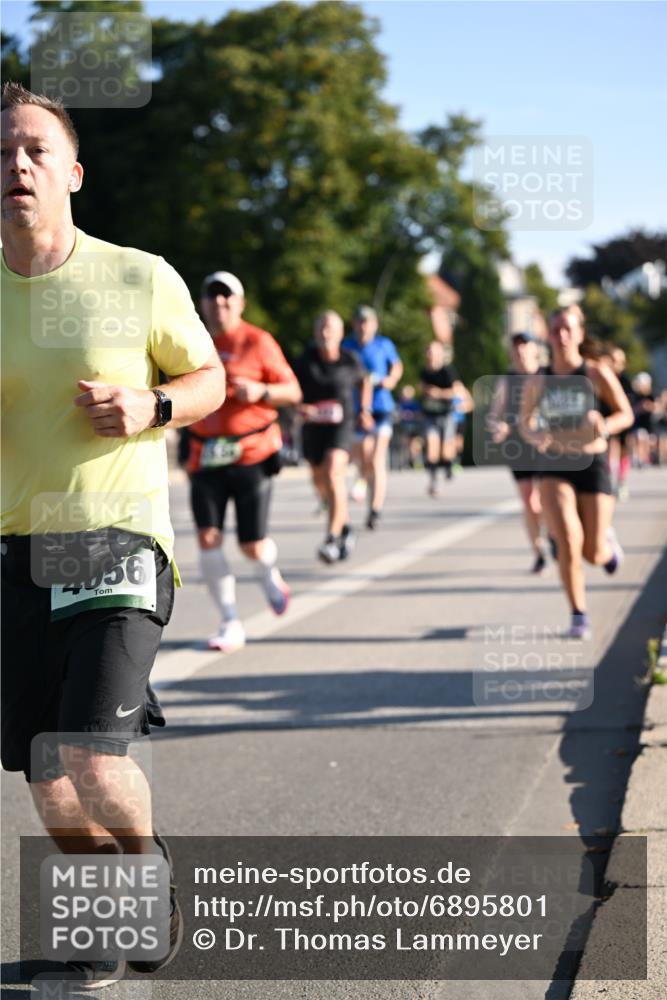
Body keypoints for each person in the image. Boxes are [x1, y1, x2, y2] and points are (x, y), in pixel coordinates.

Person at [1, 83, 226, 988]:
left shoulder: (138, 276)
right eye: (0, 152)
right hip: (14, 551)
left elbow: (208, 378)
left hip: (113, 540)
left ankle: (146, 870)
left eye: (33, 150)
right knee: (43, 769)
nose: (14, 165)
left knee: (90, 754)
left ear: (73, 173)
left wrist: (153, 404)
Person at [183, 270, 302, 653]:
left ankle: (269, 575)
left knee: (251, 544)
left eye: (226, 299)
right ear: (202, 303)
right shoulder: (188, 339)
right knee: (207, 538)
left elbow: (293, 391)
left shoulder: (258, 341)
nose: (219, 306)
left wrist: (262, 390)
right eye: (211, 299)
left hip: (252, 452)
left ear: (240, 303)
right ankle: (230, 621)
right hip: (205, 454)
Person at [520, 305, 634, 639]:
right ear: (549, 335)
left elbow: (625, 414)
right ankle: (578, 614)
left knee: (592, 552)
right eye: (556, 329)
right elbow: (525, 422)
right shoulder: (539, 379)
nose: (562, 335)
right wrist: (535, 434)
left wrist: (605, 425)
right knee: (568, 540)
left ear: (580, 334)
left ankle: (608, 548)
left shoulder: (596, 373)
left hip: (593, 463)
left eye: (568, 328)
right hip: (556, 464)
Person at [293, 311, 372, 563]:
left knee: (332, 472)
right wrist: (298, 407)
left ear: (340, 333)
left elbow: (366, 381)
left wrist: (365, 410)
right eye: (322, 328)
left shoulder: (350, 360)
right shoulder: (305, 360)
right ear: (316, 333)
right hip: (314, 426)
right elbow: (289, 388)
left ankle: (332, 537)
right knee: (319, 480)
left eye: (331, 328)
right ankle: (345, 525)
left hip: (342, 424)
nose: (326, 333)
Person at [487, 332, 547, 572]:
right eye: (516, 346)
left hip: (544, 443)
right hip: (517, 445)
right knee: (529, 501)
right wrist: (498, 426)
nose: (520, 350)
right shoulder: (507, 380)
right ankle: (539, 552)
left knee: (546, 499)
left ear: (534, 348)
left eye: (525, 345)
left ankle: (552, 534)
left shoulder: (546, 375)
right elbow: (494, 413)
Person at [342, 305, 403, 529]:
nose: (363, 326)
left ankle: (375, 509)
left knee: (377, 457)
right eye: (359, 322)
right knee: (362, 459)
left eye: (367, 322)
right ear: (354, 324)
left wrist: (391, 379)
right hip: (357, 409)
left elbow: (396, 366)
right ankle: (363, 479)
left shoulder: (383, 345)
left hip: (381, 407)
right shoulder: (347, 346)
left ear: (374, 325)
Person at [419, 340, 472, 497]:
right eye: (429, 352)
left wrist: (438, 393)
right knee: (431, 447)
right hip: (430, 415)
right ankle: (433, 480)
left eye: (434, 352)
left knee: (446, 449)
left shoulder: (447, 372)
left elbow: (456, 392)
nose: (431, 355)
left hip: (446, 414)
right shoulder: (424, 372)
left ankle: (449, 465)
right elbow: (422, 389)